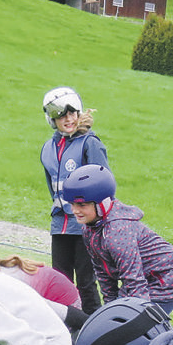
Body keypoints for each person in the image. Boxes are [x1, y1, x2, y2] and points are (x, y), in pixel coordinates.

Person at [61, 164, 173, 317]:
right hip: (142, 278)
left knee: (141, 326)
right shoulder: (89, 228)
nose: (75, 210)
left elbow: (134, 280)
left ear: (102, 204)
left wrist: (135, 319)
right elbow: (102, 271)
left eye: (82, 205)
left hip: (165, 279)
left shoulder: (117, 232)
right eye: (72, 205)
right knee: (116, 317)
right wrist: (109, 310)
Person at [40, 86, 109, 313]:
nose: (68, 119)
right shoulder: (48, 149)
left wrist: (97, 222)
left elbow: (103, 184)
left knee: (86, 284)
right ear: (52, 119)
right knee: (60, 281)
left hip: (85, 226)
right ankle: (66, 330)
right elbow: (52, 188)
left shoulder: (90, 143)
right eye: (61, 115)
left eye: (72, 114)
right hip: (60, 225)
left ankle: (92, 331)